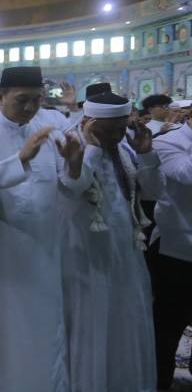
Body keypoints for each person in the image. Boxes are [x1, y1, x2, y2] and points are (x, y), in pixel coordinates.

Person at [0, 66, 84, 392]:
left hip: (42, 247)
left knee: (43, 324)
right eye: (22, 99)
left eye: (36, 100)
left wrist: (75, 166)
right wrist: (21, 159)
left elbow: (71, 187)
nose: (29, 107)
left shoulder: (52, 129)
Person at [60, 92, 163, 392]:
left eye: (122, 128)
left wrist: (146, 155)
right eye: (110, 130)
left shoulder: (124, 147)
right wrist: (92, 149)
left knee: (124, 317)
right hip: (84, 251)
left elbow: (154, 192)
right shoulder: (69, 143)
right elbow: (72, 190)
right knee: (91, 319)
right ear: (91, 123)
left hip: (125, 249)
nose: (118, 136)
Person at [148, 110, 192, 390]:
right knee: (167, 330)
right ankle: (159, 383)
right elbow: (186, 174)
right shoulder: (168, 141)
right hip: (178, 251)